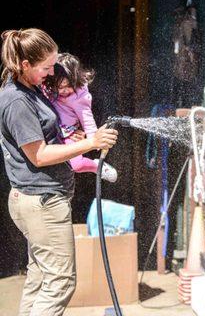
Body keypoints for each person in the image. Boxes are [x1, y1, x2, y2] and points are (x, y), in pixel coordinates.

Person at [0, 28, 118, 315]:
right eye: (46, 67)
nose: (52, 72)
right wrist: (90, 142)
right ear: (25, 65)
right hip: (42, 202)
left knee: (41, 278)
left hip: (39, 200)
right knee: (61, 282)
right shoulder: (18, 101)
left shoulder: (29, 89)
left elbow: (48, 136)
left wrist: (72, 136)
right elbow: (38, 155)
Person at [44, 53, 117, 182]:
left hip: (69, 133)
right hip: (53, 131)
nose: (64, 91)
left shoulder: (79, 97)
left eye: (68, 86)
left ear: (75, 81)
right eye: (60, 87)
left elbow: (87, 119)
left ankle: (97, 167)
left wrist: (94, 140)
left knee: (76, 165)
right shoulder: (48, 88)